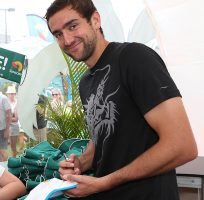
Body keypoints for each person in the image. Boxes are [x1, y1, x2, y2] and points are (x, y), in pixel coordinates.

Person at [45, 0, 198, 199]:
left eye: (73, 26)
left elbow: (182, 145)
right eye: (58, 34)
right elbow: (103, 138)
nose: (66, 40)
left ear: (95, 20)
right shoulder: (86, 82)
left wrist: (104, 183)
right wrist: (80, 163)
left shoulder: (134, 58)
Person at [6, 85, 20, 157]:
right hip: (6, 127)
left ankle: (15, 160)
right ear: (7, 94)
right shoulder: (6, 102)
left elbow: (16, 119)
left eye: (12, 93)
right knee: (8, 147)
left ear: (14, 94)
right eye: (9, 93)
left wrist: (7, 118)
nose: (11, 95)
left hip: (14, 127)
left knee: (13, 146)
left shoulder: (16, 103)